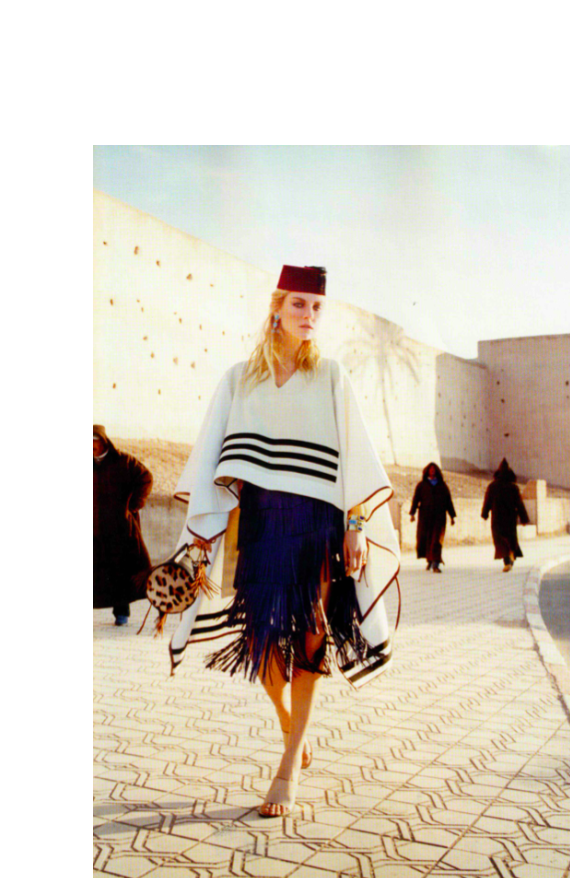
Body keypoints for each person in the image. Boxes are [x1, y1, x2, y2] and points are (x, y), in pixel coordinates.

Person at [169, 265, 400, 818]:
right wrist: (202, 538)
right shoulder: (239, 378)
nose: (309, 316)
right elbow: (211, 457)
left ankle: (289, 760)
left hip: (319, 522)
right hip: (264, 522)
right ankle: (290, 724)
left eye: (317, 308)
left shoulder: (332, 376)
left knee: (312, 634)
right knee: (262, 643)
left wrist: (356, 525)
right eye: (300, 305)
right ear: (277, 307)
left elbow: (356, 456)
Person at [93, 425, 153, 624]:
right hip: (94, 528)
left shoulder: (123, 461)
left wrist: (134, 505)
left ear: (104, 441)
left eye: (95, 440)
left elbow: (146, 477)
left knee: (119, 570)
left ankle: (121, 614)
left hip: (119, 528)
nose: (91, 445)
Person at [481, 459, 530, 571]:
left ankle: (508, 559)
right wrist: (523, 518)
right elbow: (488, 500)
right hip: (506, 517)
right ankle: (508, 559)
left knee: (504, 539)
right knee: (503, 539)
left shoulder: (509, 487)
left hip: (502, 517)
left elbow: (519, 503)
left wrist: (485, 513)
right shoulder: (497, 486)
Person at [409, 462, 456, 573]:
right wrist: (412, 513)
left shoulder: (442, 486)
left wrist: (452, 516)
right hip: (425, 516)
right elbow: (416, 500)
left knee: (437, 539)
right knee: (425, 538)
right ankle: (429, 560)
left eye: (434, 469)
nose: (432, 471)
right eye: (430, 469)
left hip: (439, 517)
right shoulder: (421, 485)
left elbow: (448, 501)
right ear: (427, 471)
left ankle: (436, 563)